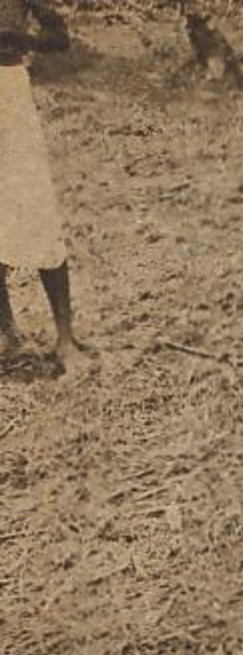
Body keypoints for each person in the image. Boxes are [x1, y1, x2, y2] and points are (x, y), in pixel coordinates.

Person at [0, 0, 87, 375]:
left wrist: (16, 38)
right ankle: (8, 333)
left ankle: (65, 339)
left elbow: (59, 37)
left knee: (34, 206)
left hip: (8, 93)